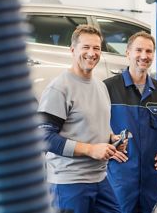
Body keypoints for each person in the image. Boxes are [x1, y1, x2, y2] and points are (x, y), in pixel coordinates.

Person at [37, 24, 125, 213]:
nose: (92, 53)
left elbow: (94, 124)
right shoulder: (59, 88)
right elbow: (44, 137)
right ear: (72, 50)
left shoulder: (100, 86)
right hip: (69, 183)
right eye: (86, 47)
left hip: (100, 179)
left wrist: (112, 139)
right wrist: (91, 149)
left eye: (97, 48)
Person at [103, 31, 157, 213]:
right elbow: (93, 125)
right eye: (138, 50)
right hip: (120, 176)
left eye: (149, 51)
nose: (144, 56)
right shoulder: (108, 87)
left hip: (151, 178)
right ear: (127, 53)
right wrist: (105, 148)